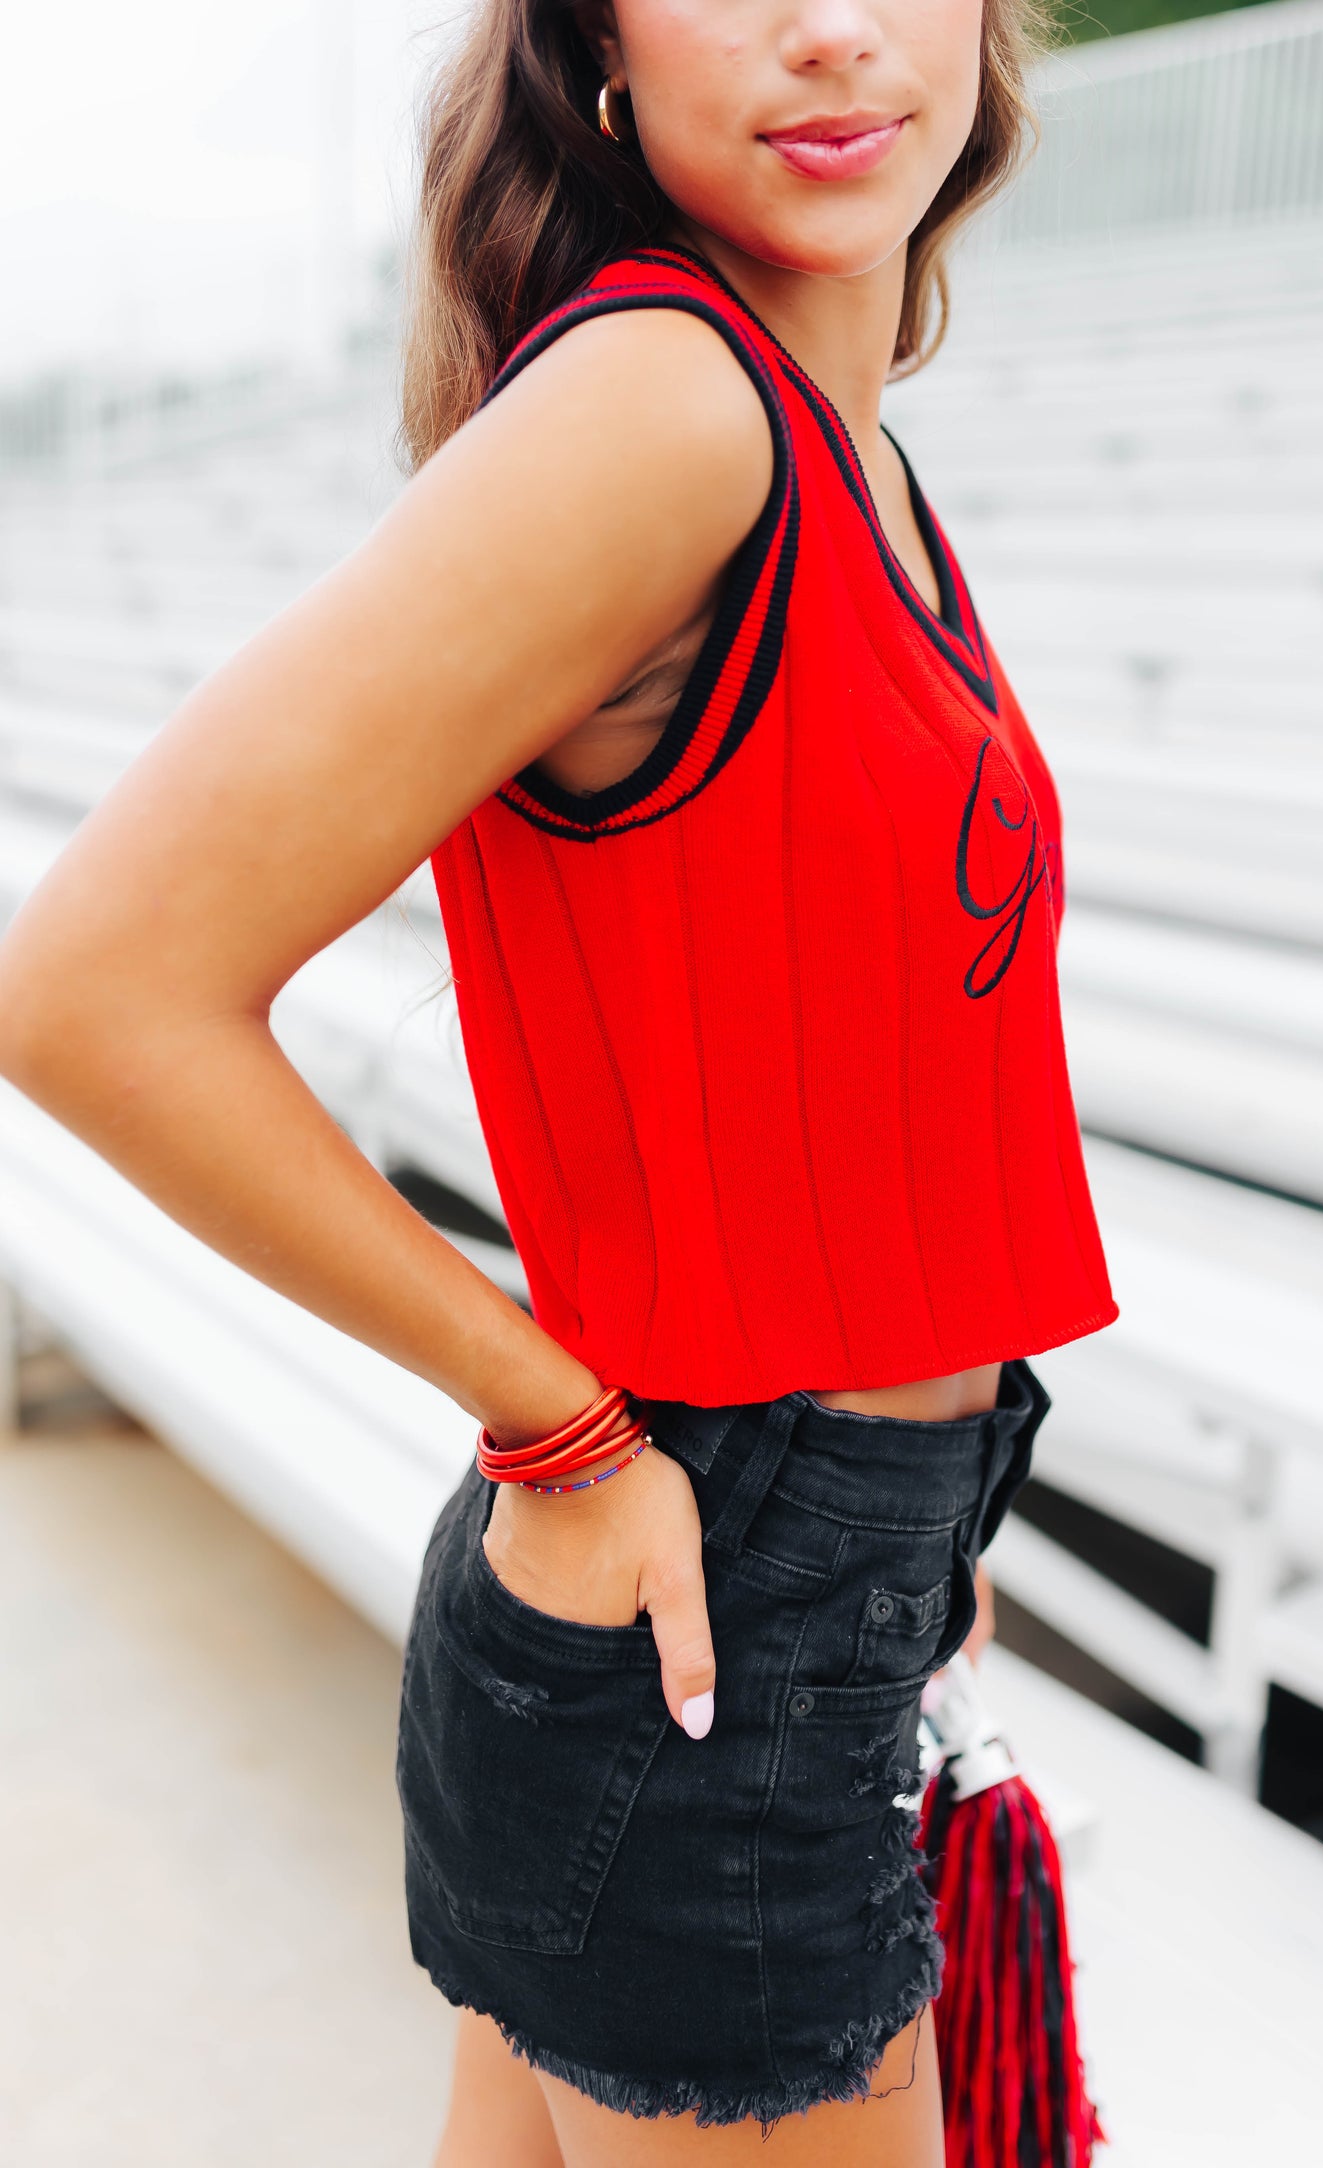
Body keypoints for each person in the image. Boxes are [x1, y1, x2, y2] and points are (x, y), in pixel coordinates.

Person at [0, 0, 1118, 2159]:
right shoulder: (664, 408)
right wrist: (565, 1423)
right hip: (707, 1624)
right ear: (597, 38)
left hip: (771, 1589)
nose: (829, 29)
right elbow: (89, 987)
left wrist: (922, 1527)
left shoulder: (828, 434)